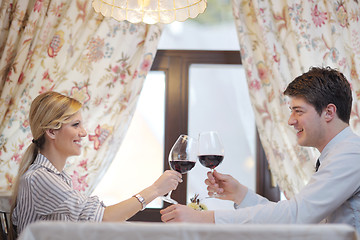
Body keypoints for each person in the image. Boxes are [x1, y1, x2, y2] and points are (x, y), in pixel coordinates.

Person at [160, 66, 360, 233]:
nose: (290, 121)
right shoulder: (340, 153)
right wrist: (241, 194)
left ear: (329, 112)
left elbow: (295, 216)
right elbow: (293, 214)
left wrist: (205, 219)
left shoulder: (350, 154)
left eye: (298, 111)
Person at [10, 91, 182, 237]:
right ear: (52, 132)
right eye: (75, 125)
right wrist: (155, 190)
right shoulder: (40, 178)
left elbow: (90, 221)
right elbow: (103, 218)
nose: (84, 133)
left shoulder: (57, 177)